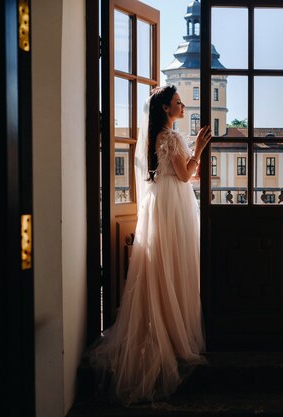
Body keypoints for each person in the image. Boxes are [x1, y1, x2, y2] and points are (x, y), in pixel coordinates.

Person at [87, 85, 212, 405]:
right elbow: (185, 176)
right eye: (178, 103)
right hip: (174, 204)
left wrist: (190, 161)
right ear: (165, 110)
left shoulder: (153, 139)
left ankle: (164, 327)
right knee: (177, 263)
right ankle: (174, 333)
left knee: (162, 266)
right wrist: (198, 149)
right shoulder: (172, 137)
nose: (183, 106)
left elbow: (173, 172)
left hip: (159, 203)